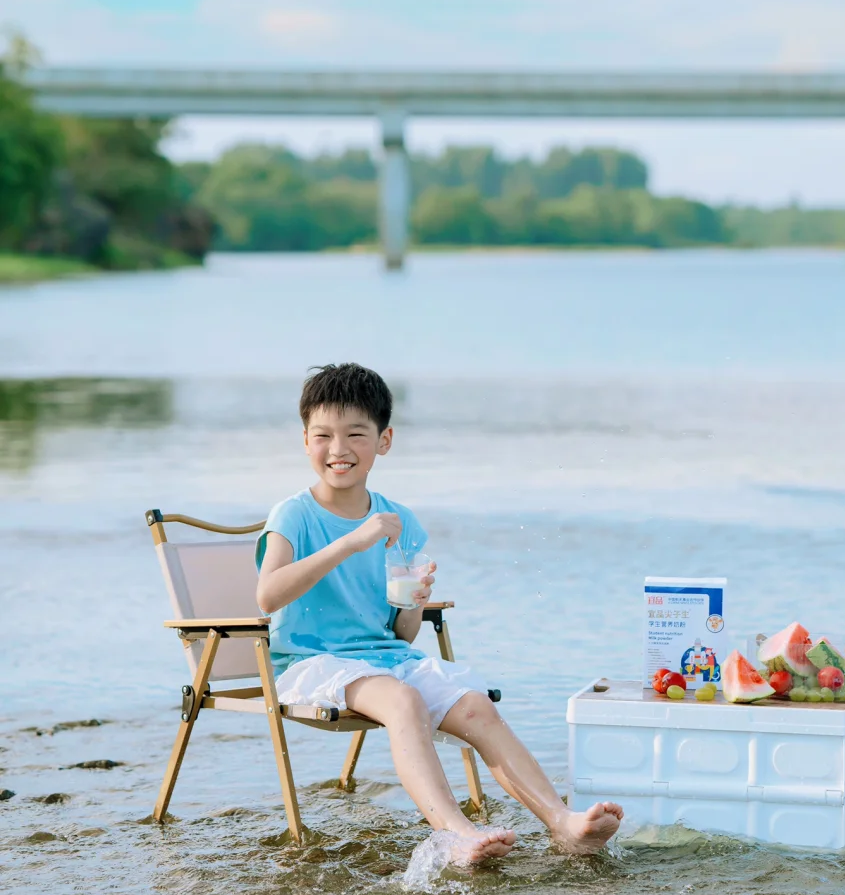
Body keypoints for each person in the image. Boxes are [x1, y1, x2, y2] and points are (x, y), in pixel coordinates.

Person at [256, 362, 623, 866]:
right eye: (323, 435)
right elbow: (267, 597)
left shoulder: (399, 520)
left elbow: (402, 634)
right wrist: (350, 542)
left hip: (383, 658)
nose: (338, 449)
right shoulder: (292, 514)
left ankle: (563, 823)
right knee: (404, 702)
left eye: (355, 434)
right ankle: (455, 833)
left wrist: (414, 601)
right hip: (312, 663)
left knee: (476, 706)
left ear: (383, 441)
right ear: (305, 442)